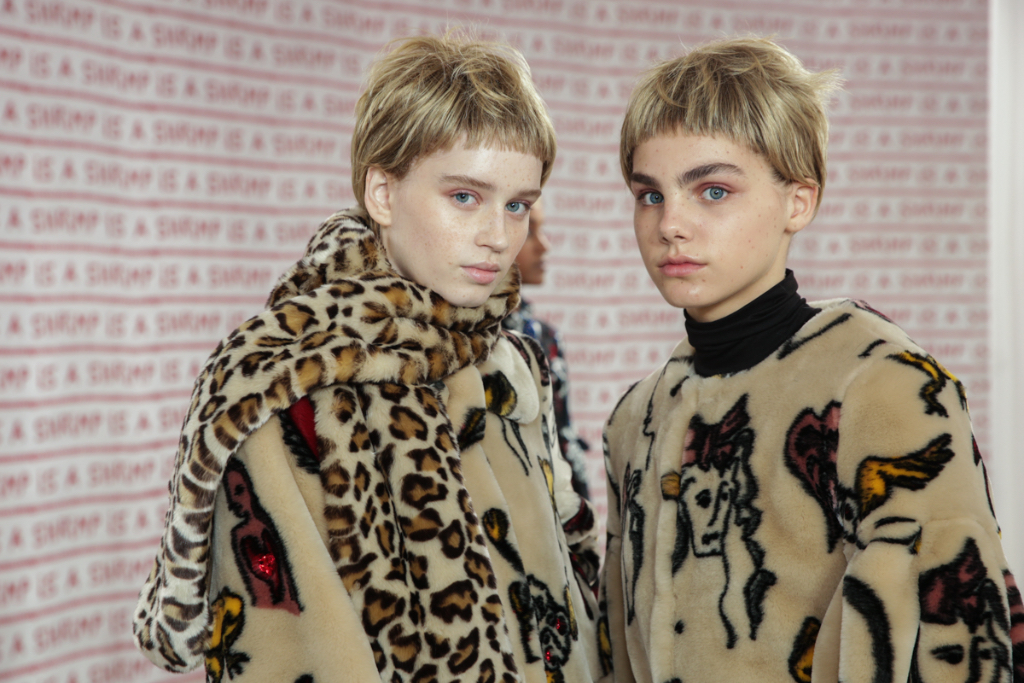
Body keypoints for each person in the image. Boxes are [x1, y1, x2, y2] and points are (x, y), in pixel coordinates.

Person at [133, 34, 602, 683]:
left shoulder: (512, 367)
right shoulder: (281, 383)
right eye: (465, 197)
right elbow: (276, 650)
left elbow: (568, 602)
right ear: (382, 192)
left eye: (517, 204)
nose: (499, 236)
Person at [597, 36, 1022, 683]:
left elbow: (964, 642)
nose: (670, 224)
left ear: (799, 201)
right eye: (650, 195)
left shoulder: (882, 384)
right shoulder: (636, 417)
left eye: (712, 191)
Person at [502, 199, 592, 499]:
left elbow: (562, 436)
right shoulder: (469, 340)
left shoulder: (546, 338)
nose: (545, 246)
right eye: (530, 232)